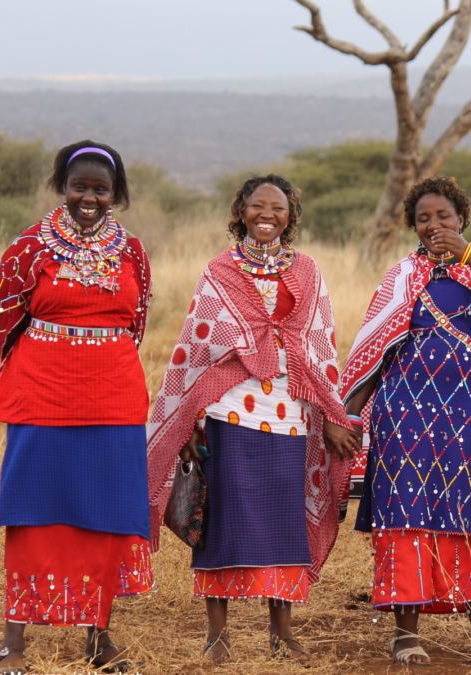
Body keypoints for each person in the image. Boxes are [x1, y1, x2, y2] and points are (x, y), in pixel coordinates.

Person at [146, 174, 360, 665]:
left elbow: (319, 346)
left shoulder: (306, 271)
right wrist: (190, 420)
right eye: (257, 206)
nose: (267, 215)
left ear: (291, 216)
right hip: (227, 410)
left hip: (290, 414)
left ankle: (281, 634)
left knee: (285, 522)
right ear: (241, 211)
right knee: (223, 519)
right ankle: (217, 635)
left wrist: (330, 414)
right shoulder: (220, 271)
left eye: (278, 208)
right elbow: (199, 345)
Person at [339, 176, 471, 666]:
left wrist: (469, 256)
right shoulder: (401, 275)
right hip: (404, 411)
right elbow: (374, 352)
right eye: (423, 218)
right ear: (412, 226)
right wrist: (346, 413)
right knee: (406, 511)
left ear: (462, 219)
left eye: (443, 217)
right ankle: (406, 633)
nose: (434, 225)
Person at [0, 141, 153, 674]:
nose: (89, 197)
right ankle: (15, 641)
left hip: (115, 396)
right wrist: (50, 357)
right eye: (79, 186)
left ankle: (98, 636)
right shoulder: (30, 247)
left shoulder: (132, 253)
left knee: (106, 512)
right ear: (63, 186)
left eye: (100, 189)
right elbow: (4, 316)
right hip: (42, 393)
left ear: (115, 195)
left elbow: (137, 321)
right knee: (33, 508)